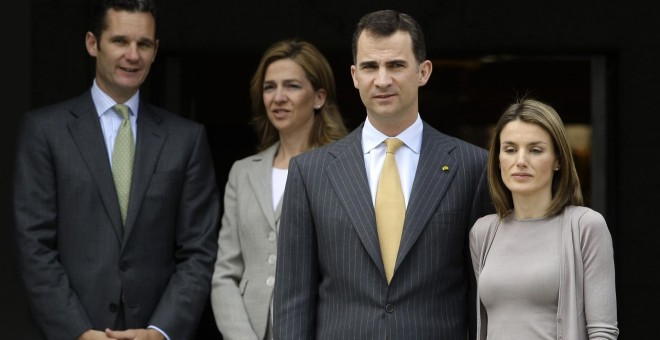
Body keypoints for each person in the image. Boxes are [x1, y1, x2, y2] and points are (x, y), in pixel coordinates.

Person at [273, 9, 493, 339]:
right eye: (370, 66)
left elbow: (482, 295)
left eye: (396, 65)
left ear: (424, 71)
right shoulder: (310, 173)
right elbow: (293, 300)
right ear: (354, 75)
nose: (382, 79)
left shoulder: (472, 166)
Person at [12, 1, 220, 339]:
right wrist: (78, 331)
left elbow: (199, 249)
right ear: (93, 44)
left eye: (144, 44)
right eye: (120, 41)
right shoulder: (44, 131)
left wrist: (160, 331)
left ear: (156, 50)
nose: (133, 55)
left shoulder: (186, 139)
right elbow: (33, 245)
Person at [210, 39, 347, 340]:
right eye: (270, 87)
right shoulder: (243, 172)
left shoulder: (344, 169)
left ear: (319, 97)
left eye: (292, 86)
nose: (278, 97)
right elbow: (225, 274)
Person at [469, 99, 618, 339]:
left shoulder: (585, 226)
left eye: (535, 150)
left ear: (558, 160)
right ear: (498, 160)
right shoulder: (483, 232)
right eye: (509, 149)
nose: (520, 160)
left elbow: (603, 331)